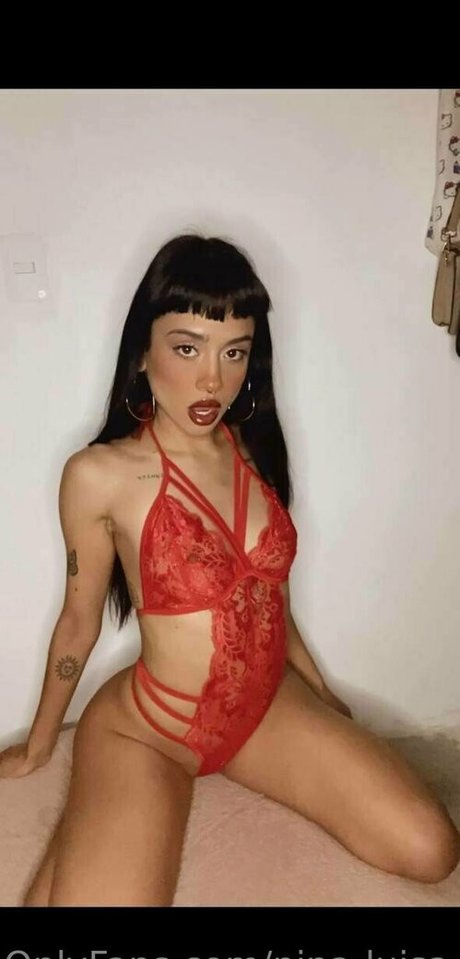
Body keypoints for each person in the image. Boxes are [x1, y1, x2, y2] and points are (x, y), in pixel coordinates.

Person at [0, 234, 459, 906]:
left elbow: (270, 596)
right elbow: (78, 620)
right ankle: (96, 807)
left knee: (431, 849)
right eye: (188, 348)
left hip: (262, 708)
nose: (213, 380)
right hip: (151, 729)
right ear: (142, 352)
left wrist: (318, 689)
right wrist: (40, 744)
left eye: (234, 351)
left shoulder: (250, 447)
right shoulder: (100, 475)